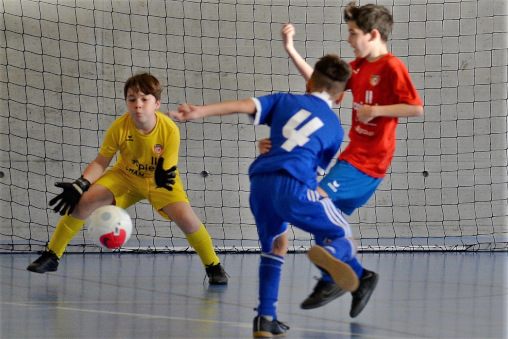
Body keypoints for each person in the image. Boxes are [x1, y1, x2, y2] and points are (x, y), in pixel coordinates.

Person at [167, 54, 377, 338]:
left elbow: (245, 105)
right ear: (339, 99)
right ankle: (331, 253)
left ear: (309, 83)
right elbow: (312, 169)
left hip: (260, 183)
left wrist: (198, 112)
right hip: (293, 186)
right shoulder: (335, 129)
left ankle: (266, 318)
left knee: (276, 244)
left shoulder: (285, 100)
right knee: (343, 234)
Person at [258, 2, 423, 311]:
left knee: (313, 203)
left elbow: (415, 107)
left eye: (353, 34)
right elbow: (322, 85)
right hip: (352, 158)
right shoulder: (358, 67)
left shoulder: (391, 67)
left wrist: (377, 110)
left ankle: (332, 276)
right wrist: (291, 50)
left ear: (373, 34)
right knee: (325, 227)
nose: (348, 40)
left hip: (367, 163)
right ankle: (360, 278)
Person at [27, 73, 228, 285]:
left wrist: (162, 173)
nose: (137, 105)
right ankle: (52, 256)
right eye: (132, 99)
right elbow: (101, 162)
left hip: (160, 181)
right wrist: (81, 183)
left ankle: (213, 266)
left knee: (187, 219)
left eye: (144, 99)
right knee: (83, 201)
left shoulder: (169, 129)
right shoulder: (119, 127)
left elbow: (166, 168)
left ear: (157, 103)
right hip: (125, 176)